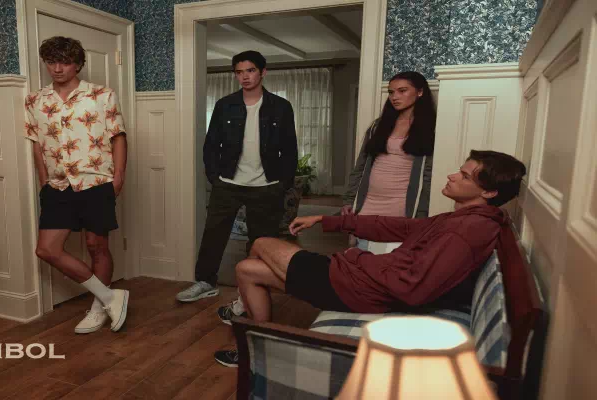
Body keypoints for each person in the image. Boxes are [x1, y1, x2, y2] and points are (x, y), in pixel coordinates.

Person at [213, 150, 527, 367]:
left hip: (352, 287)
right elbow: (396, 226)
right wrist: (326, 219)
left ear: (488, 193)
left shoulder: (464, 232)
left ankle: (239, 313)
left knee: (261, 243)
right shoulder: (465, 220)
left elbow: (413, 289)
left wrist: (360, 261)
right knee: (247, 269)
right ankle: (256, 347)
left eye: (464, 176)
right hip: (353, 279)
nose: (452, 175)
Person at [24, 36, 128, 334]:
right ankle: (109, 297)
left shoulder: (102, 95)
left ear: (78, 64)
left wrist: (118, 178)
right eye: (51, 62)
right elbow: (36, 143)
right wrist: (43, 180)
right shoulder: (35, 100)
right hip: (57, 185)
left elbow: (118, 137)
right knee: (47, 249)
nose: (57, 68)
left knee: (97, 247)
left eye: (65, 62)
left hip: (96, 181)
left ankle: (98, 309)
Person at [175, 50, 298, 303]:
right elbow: (211, 145)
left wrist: (282, 184)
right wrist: (215, 178)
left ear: (263, 72)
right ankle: (205, 282)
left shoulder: (280, 107)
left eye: (250, 70)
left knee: (261, 242)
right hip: (228, 184)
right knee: (213, 236)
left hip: (266, 185)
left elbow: (289, 149)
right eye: (239, 72)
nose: (245, 77)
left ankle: (251, 290)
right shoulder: (225, 105)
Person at [341, 72, 436, 244]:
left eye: (402, 91)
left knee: (392, 253)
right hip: (368, 201)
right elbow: (361, 166)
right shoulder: (379, 125)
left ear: (420, 92)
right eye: (391, 92)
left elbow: (429, 175)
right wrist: (349, 199)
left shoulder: (430, 129)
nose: (395, 97)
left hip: (402, 204)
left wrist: (421, 212)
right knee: (361, 249)